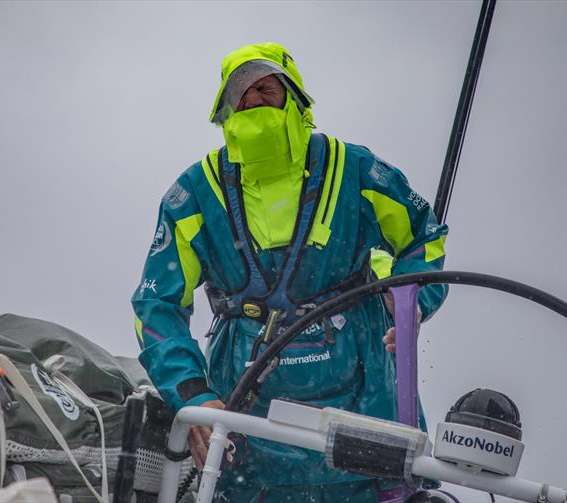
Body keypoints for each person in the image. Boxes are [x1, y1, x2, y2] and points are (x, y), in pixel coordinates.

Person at [132, 42, 448, 502]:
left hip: (368, 425)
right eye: (242, 91)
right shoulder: (194, 194)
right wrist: (194, 398)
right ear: (226, 109)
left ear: (296, 99)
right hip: (247, 440)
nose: (255, 98)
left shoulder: (355, 169)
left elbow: (424, 236)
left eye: (266, 86)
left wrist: (411, 301)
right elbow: (155, 306)